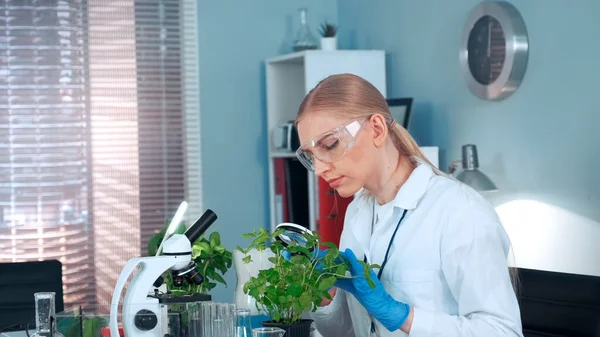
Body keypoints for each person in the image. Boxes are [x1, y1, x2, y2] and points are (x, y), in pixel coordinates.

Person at [292, 73, 523, 337]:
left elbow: (503, 332)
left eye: (330, 145)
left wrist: (402, 316)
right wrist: (324, 293)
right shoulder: (358, 212)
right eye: (311, 157)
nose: (319, 169)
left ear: (377, 129)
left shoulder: (459, 210)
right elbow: (347, 333)